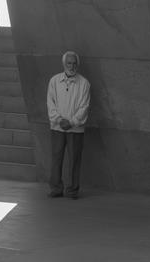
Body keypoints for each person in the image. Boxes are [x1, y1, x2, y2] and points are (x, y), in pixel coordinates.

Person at [46, 51, 90, 199]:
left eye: (74, 63)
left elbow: (84, 107)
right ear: (64, 64)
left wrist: (71, 122)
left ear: (78, 64)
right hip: (57, 127)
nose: (72, 66)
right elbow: (50, 103)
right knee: (56, 158)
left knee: (74, 160)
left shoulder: (84, 83)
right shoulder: (54, 81)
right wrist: (59, 120)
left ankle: (72, 190)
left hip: (75, 129)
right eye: (69, 63)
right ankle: (56, 188)